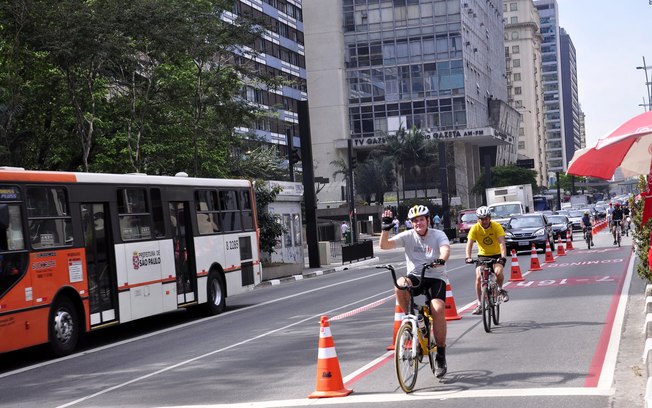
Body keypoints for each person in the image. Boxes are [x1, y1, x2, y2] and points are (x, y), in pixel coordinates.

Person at [379, 205, 451, 378]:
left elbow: (445, 249)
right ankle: (412, 314)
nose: (418, 223)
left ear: (428, 220)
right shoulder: (408, 236)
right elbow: (384, 246)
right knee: (400, 284)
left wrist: (440, 260)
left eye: (421, 219)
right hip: (416, 276)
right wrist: (385, 228)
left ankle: (441, 356)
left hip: (436, 277)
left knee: (438, 309)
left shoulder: (438, 235)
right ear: (411, 223)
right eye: (414, 221)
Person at [464, 206, 509, 315]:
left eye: (486, 218)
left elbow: (502, 243)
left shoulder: (496, 226)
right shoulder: (475, 228)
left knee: (498, 272)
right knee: (479, 277)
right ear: (478, 219)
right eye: (481, 219)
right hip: (483, 256)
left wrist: (503, 257)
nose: (484, 221)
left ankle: (500, 289)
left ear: (489, 218)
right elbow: (469, 244)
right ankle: (479, 304)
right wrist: (468, 257)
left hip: (496, 254)